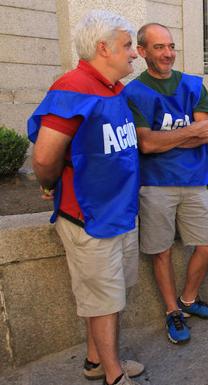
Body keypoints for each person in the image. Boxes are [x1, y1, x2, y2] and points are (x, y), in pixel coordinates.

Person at [27, 10, 144, 385]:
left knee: (110, 297)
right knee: (104, 301)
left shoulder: (113, 89)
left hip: (119, 212)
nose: (134, 54)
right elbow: (44, 157)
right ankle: (113, 375)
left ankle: (96, 361)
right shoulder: (72, 87)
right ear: (103, 48)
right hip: (89, 217)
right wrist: (50, 184)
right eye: (128, 46)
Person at [123, 23, 208, 344]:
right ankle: (172, 311)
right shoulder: (132, 93)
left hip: (194, 181)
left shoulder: (193, 85)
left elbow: (205, 133)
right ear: (141, 52)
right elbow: (145, 145)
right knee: (161, 251)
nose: (168, 53)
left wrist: (162, 139)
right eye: (158, 47)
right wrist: (184, 134)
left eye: (170, 46)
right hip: (155, 184)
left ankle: (188, 300)